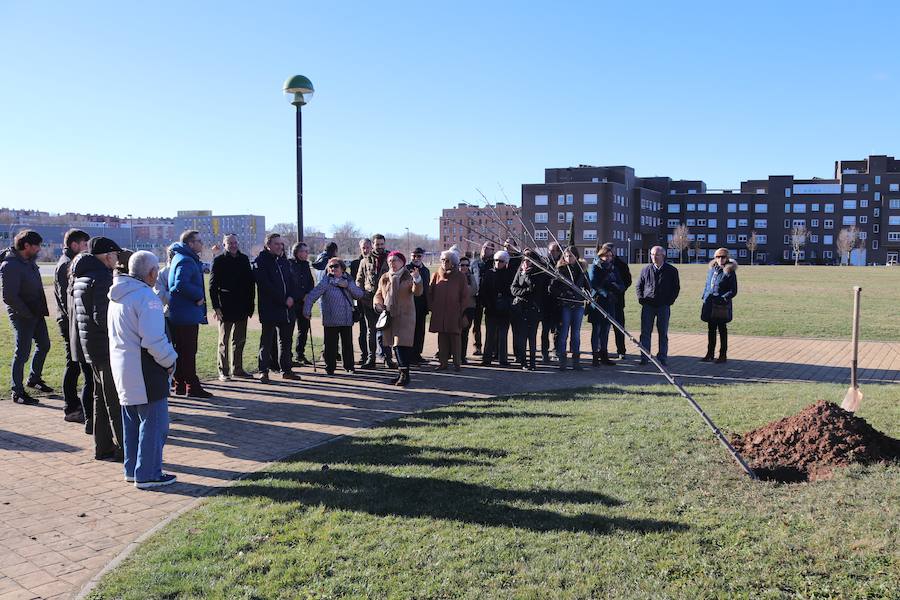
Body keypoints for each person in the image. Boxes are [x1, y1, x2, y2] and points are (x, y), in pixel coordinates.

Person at [108, 250, 179, 489]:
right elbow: (153, 340)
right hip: (145, 369)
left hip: (124, 367)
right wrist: (170, 361)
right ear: (151, 273)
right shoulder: (146, 298)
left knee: (132, 423)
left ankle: (133, 468)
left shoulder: (118, 296)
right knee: (155, 424)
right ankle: (148, 473)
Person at [73, 237, 125, 460]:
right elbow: (102, 317)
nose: (117, 260)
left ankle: (103, 446)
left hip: (90, 347)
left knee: (99, 399)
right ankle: (125, 448)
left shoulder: (81, 276)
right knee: (114, 402)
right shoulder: (102, 277)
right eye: (115, 255)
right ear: (106, 255)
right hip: (104, 347)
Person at [0, 230, 52, 405]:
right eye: (36, 245)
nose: (39, 249)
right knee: (22, 353)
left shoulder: (29, 261)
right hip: (22, 315)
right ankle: (18, 392)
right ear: (26, 246)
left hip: (35, 312)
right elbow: (9, 296)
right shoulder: (10, 265)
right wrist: (27, 313)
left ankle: (34, 379)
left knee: (44, 345)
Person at [168, 230, 211, 398]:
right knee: (188, 351)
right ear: (190, 243)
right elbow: (179, 284)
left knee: (181, 351)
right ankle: (192, 386)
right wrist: (198, 295)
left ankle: (180, 384)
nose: (202, 244)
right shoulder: (186, 260)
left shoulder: (180, 257)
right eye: (199, 241)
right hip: (185, 314)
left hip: (181, 313)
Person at [303, 257, 364, 374]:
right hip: (331, 319)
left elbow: (359, 294)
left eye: (336, 266)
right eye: (330, 266)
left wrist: (347, 286)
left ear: (342, 268)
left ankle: (349, 366)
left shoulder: (348, 280)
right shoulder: (325, 281)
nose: (333, 268)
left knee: (347, 345)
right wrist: (307, 310)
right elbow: (312, 296)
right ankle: (330, 367)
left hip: (346, 319)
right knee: (330, 345)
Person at [55, 229, 91, 421]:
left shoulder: (69, 262)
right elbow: (65, 298)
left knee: (76, 363)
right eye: (85, 244)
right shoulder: (67, 265)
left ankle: (75, 405)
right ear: (75, 245)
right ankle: (71, 407)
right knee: (73, 364)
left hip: (72, 321)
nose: (87, 248)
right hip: (69, 321)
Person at [254, 233, 300, 382]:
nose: (280, 246)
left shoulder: (284, 261)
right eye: (276, 244)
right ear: (268, 245)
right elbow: (265, 285)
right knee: (267, 341)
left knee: (286, 341)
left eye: (281, 244)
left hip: (287, 309)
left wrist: (292, 297)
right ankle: (263, 370)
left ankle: (286, 369)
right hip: (270, 308)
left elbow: (292, 282)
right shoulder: (261, 261)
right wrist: (283, 300)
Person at [209, 233, 255, 380]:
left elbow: (250, 284)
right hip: (225, 306)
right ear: (224, 244)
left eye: (235, 242)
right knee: (224, 340)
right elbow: (212, 286)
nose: (233, 245)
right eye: (230, 243)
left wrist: (250, 305)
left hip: (242, 306)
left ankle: (238, 368)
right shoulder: (218, 260)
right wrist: (216, 307)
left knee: (240, 340)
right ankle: (223, 370)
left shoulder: (244, 259)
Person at [373, 251, 423, 386]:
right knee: (395, 346)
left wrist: (417, 279)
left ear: (402, 262)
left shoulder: (408, 275)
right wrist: (378, 304)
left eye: (395, 260)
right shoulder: (385, 277)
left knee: (401, 345)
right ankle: (401, 374)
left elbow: (417, 292)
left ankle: (405, 375)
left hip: (405, 316)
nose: (392, 263)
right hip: (390, 315)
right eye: (390, 261)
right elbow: (378, 294)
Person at [636, 245, 680, 366]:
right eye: (652, 254)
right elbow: (639, 286)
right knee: (645, 332)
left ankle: (662, 357)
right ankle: (644, 357)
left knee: (663, 332)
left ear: (663, 256)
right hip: (648, 306)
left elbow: (676, 288)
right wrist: (641, 299)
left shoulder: (671, 270)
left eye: (657, 255)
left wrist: (669, 301)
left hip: (663, 306)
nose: (654, 257)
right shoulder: (646, 269)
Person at [427, 250, 469, 371]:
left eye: (447, 260)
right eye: (443, 260)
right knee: (442, 338)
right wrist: (432, 307)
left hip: (455, 313)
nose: (444, 262)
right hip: (439, 313)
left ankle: (457, 363)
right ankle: (443, 363)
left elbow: (465, 296)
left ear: (454, 263)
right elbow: (430, 292)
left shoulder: (460, 276)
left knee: (455, 338)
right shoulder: (436, 275)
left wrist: (460, 311)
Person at [356, 233, 393, 369]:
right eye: (377, 244)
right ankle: (371, 359)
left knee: (386, 330)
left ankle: (388, 358)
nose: (380, 247)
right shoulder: (365, 261)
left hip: (386, 301)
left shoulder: (391, 259)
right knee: (371, 331)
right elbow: (359, 279)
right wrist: (360, 294)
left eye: (382, 244)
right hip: (368, 300)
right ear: (373, 245)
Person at [551, 246, 590, 370]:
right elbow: (552, 288)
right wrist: (564, 293)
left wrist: (583, 293)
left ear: (576, 256)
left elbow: (588, 287)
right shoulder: (560, 270)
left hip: (578, 305)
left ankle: (576, 362)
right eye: (566, 256)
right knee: (563, 334)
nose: (568, 258)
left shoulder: (582, 270)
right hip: (565, 306)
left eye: (571, 256)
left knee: (576, 334)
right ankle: (562, 361)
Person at [588, 246, 625, 366]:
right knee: (597, 330)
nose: (609, 258)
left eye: (610, 256)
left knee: (605, 330)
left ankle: (604, 355)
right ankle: (595, 356)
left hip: (610, 303)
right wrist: (606, 292)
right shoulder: (594, 267)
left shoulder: (614, 268)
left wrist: (616, 288)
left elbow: (621, 283)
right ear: (600, 256)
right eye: (606, 255)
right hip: (598, 302)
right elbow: (594, 284)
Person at [511, 251, 548, 371]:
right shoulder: (520, 270)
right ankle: (523, 361)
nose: (525, 263)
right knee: (521, 336)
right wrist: (524, 292)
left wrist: (526, 276)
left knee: (532, 337)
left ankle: (532, 361)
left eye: (528, 260)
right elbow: (513, 288)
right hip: (521, 308)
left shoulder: (539, 272)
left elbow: (534, 289)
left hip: (533, 309)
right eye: (524, 260)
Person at [701, 247, 738, 364]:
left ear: (727, 258)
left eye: (723, 257)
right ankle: (710, 353)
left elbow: (733, 290)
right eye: (718, 257)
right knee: (711, 330)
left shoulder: (729, 271)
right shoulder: (712, 270)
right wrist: (704, 296)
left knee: (722, 330)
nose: (720, 259)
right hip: (710, 303)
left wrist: (722, 299)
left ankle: (723, 355)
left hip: (721, 306)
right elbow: (707, 284)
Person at [478, 249, 515, 367]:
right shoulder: (489, 273)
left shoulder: (510, 274)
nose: (498, 263)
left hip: (505, 310)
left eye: (501, 261)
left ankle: (503, 359)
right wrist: (487, 304)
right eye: (496, 260)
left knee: (503, 336)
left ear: (506, 262)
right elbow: (483, 291)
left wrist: (507, 303)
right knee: (490, 335)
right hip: (491, 309)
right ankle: (486, 359)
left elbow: (512, 292)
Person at [601, 242, 633, 359]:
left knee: (619, 327)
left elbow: (628, 281)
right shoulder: (599, 264)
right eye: (607, 250)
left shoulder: (622, 265)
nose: (610, 253)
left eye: (611, 250)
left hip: (618, 301)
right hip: (603, 301)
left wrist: (619, 289)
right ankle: (602, 350)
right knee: (603, 328)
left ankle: (621, 350)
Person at [289, 241, 315, 366]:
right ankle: (287, 356)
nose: (306, 253)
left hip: (304, 302)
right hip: (293, 302)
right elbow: (290, 284)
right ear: (297, 252)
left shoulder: (306, 265)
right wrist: (298, 295)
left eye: (306, 251)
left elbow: (310, 282)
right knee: (288, 330)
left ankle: (300, 354)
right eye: (303, 251)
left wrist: (308, 294)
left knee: (303, 329)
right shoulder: (290, 264)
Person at [470, 241, 495, 356]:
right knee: (477, 323)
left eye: (488, 248)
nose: (485, 250)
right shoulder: (474, 263)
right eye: (484, 247)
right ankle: (477, 346)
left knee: (491, 324)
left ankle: (491, 347)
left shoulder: (494, 263)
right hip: (477, 297)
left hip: (490, 297)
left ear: (492, 251)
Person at [349, 238, 372, 365]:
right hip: (361, 300)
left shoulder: (376, 261)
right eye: (363, 247)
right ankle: (364, 355)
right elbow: (354, 283)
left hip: (374, 300)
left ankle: (380, 354)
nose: (365, 250)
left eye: (368, 247)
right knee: (363, 329)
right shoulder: (355, 263)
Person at [540, 241, 563, 363]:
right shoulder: (544, 264)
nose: (551, 253)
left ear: (559, 252)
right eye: (550, 250)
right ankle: (544, 352)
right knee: (545, 330)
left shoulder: (562, 265)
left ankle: (557, 351)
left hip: (559, 302)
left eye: (554, 250)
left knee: (558, 330)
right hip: (546, 302)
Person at [409, 247, 430, 364]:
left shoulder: (426, 271)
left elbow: (427, 288)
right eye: (414, 256)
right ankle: (410, 355)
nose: (416, 258)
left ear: (423, 256)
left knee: (420, 331)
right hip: (410, 304)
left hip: (422, 305)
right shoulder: (407, 269)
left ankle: (417, 354)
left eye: (419, 256)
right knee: (411, 331)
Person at [458, 255, 479, 364]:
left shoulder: (471, 277)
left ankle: (462, 356)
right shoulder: (455, 276)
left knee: (465, 333)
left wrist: (464, 291)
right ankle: (455, 355)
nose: (464, 267)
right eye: (462, 265)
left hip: (469, 308)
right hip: (456, 308)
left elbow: (474, 290)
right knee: (456, 333)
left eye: (467, 265)